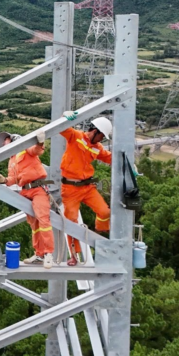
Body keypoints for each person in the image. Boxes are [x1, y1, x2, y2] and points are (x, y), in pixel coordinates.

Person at [0, 130, 56, 266]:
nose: (6, 145)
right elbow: (13, 179)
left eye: (7, 141)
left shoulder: (25, 149)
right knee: (34, 224)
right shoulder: (12, 160)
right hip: (26, 191)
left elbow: (37, 150)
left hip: (38, 189)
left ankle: (48, 253)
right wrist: (4, 180)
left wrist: (39, 142)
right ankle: (39, 253)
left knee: (43, 219)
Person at [58, 113, 114, 266]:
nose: (101, 139)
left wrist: (128, 163)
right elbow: (61, 128)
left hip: (88, 187)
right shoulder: (75, 136)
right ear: (95, 131)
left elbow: (110, 157)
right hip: (70, 188)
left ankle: (100, 233)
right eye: (101, 136)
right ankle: (74, 255)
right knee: (71, 223)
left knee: (104, 212)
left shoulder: (97, 147)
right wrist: (64, 116)